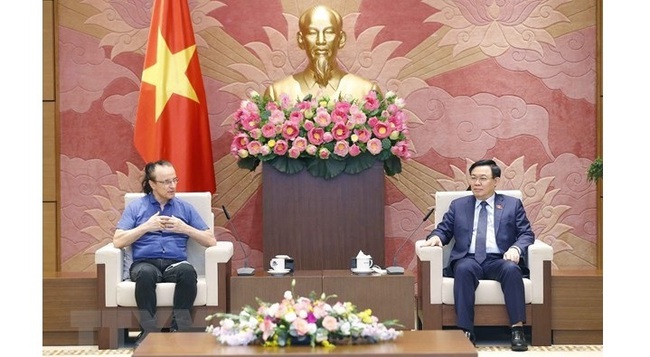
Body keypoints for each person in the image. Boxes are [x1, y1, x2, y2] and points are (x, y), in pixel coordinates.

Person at [422, 159, 534, 351]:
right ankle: (465, 331)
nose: (476, 183)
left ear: (496, 181)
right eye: (473, 178)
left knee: (512, 270)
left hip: (498, 259)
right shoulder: (459, 205)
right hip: (469, 258)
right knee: (464, 269)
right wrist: (436, 238)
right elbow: (444, 229)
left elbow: (526, 233)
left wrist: (515, 249)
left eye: (483, 178)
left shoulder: (511, 205)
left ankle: (517, 329)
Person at [113, 160, 216, 346]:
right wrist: (146, 227)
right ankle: (149, 332)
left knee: (187, 272)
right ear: (152, 184)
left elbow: (210, 240)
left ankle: (180, 330)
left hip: (174, 264)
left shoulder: (185, 208)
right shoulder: (136, 207)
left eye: (175, 180)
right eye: (166, 182)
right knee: (146, 273)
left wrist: (185, 228)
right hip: (145, 262)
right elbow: (118, 240)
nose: (173, 186)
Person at [264, 5, 381, 101]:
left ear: (341, 39)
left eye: (329, 32)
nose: (321, 41)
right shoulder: (276, 93)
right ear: (301, 39)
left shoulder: (367, 93)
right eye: (312, 33)